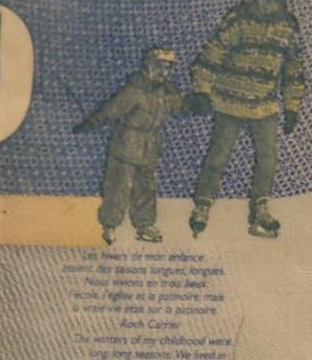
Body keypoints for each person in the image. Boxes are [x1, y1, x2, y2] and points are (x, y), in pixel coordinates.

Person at [189, 0, 305, 239]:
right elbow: (213, 52)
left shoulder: (288, 27)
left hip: (265, 105)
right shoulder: (239, 18)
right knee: (218, 155)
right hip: (230, 100)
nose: (264, 2)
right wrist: (202, 89)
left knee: (268, 158)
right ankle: (203, 203)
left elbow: (293, 69)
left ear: (281, 1)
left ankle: (260, 206)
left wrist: (292, 106)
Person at [74, 45, 211, 245]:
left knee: (145, 188)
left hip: (149, 146)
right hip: (126, 145)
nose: (164, 72)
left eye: (168, 68)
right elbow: (109, 111)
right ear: (149, 66)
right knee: (118, 187)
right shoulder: (133, 91)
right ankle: (110, 225)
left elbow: (178, 105)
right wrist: (88, 124)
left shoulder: (166, 92)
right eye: (160, 67)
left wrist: (195, 104)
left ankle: (144, 225)